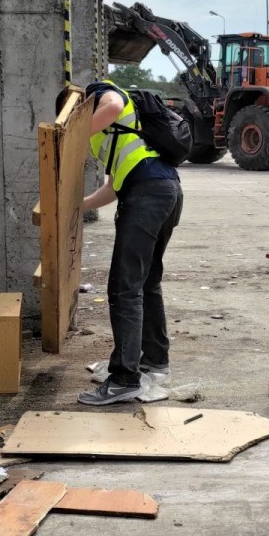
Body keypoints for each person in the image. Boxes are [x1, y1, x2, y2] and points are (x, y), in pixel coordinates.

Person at [72, 80, 184, 405]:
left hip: (149, 194)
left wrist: (70, 136)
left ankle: (124, 379)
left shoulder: (100, 95)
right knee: (147, 283)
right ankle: (154, 363)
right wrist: (79, 205)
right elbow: (113, 186)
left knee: (124, 288)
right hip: (166, 190)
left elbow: (113, 105)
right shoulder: (119, 133)